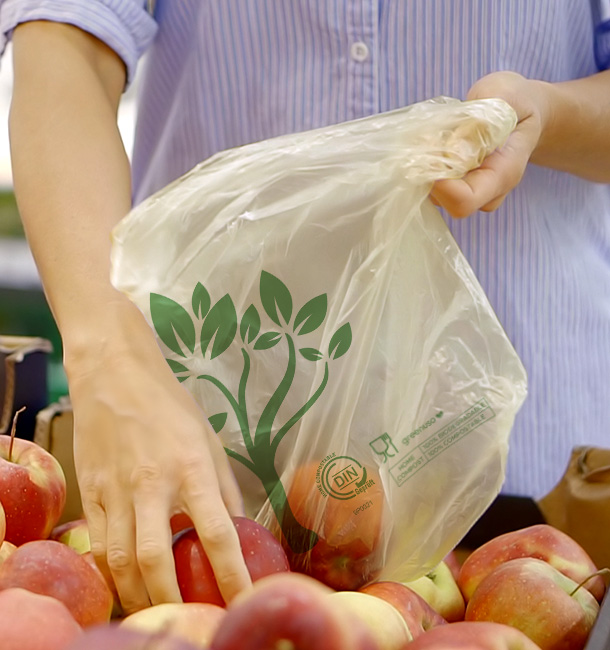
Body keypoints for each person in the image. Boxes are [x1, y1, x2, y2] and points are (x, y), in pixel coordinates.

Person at [1, 0, 609, 614]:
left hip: (524, 500)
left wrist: (547, 115)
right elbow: (63, 39)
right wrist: (110, 353)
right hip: (200, 492)